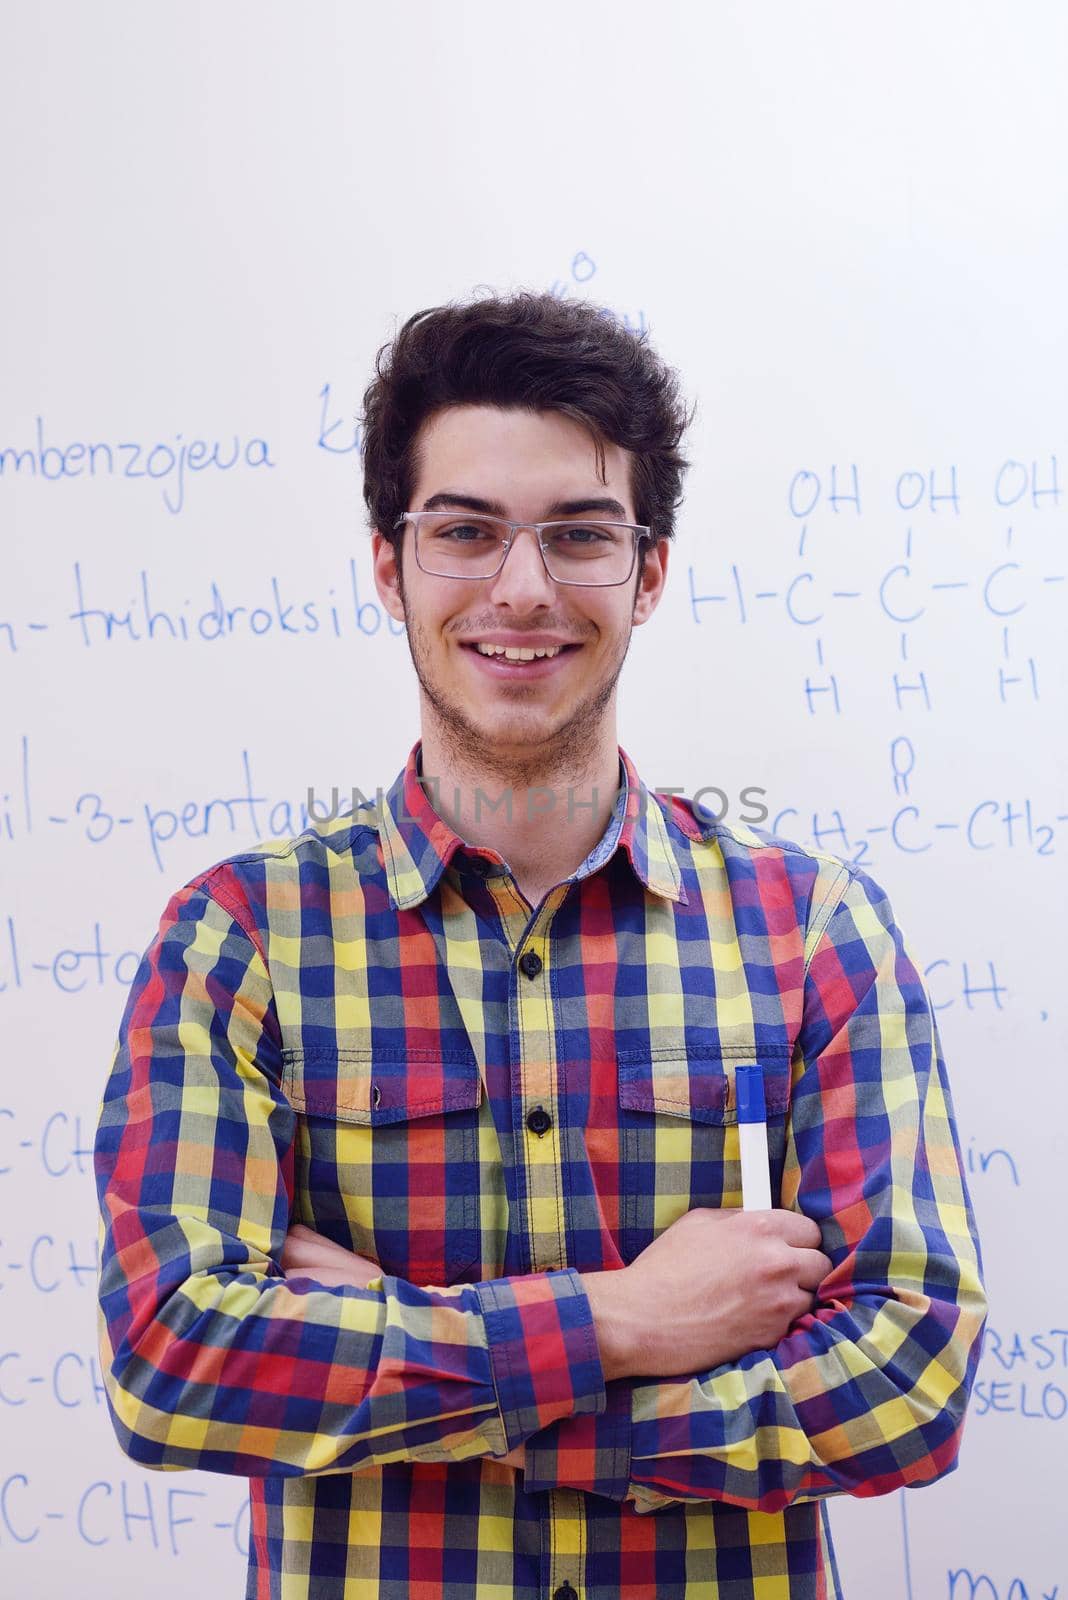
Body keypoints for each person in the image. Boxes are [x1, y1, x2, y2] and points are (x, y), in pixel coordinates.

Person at [94, 289, 987, 1600]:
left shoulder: (813, 937)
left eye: (578, 535)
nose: (523, 588)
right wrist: (628, 1324)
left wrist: (500, 1401)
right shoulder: (243, 943)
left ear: (651, 570)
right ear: (391, 565)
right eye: (465, 531)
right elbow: (176, 1365)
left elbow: (911, 1379)